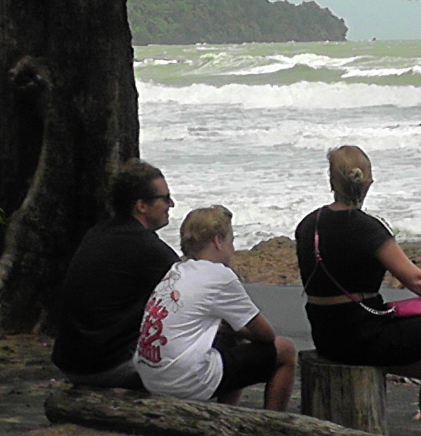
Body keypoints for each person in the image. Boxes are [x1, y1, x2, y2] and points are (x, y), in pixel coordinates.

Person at [294, 145, 421, 436]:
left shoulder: (307, 224)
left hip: (327, 337)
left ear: (331, 182)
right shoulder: (367, 227)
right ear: (367, 183)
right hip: (364, 337)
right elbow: (415, 278)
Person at [135, 206, 296, 410]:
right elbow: (266, 335)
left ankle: (227, 412)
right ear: (218, 240)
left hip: (151, 376)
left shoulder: (177, 270)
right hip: (181, 382)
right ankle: (275, 424)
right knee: (286, 350)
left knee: (232, 336)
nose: (234, 249)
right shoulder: (220, 276)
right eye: (231, 240)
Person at [51, 159, 179, 390]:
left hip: (71, 363)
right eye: (164, 198)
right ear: (141, 205)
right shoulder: (146, 247)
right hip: (109, 368)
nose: (171, 204)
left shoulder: (98, 232)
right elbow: (193, 291)